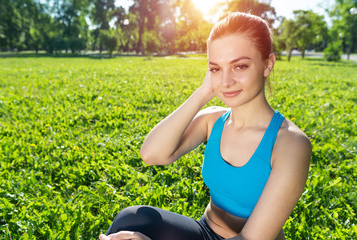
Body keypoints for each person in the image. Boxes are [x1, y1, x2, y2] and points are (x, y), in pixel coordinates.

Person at [99, 12, 312, 240]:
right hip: (205, 232)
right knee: (131, 220)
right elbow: (152, 154)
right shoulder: (213, 120)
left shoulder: (291, 144)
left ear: (267, 64)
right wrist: (203, 93)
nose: (226, 81)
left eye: (239, 66)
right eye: (216, 69)